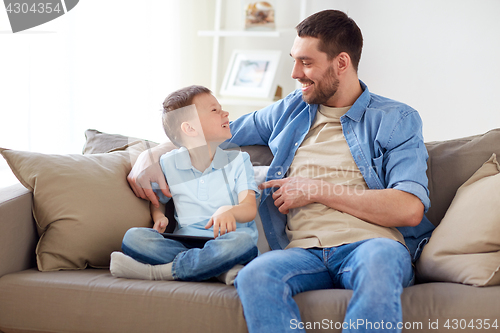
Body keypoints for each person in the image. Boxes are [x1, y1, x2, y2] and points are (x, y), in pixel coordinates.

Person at [127, 10, 435, 333]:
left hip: (371, 246)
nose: (294, 73)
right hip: (303, 252)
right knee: (255, 275)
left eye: (306, 62)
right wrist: (154, 153)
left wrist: (316, 189)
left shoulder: (396, 119)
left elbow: (410, 207)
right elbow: (216, 132)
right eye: (294, 60)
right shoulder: (291, 109)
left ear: (341, 63)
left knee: (380, 263)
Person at [111, 85, 259, 285]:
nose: (226, 113)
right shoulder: (168, 162)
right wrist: (159, 216)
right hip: (185, 242)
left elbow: (249, 208)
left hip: (227, 240)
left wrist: (230, 211)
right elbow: (158, 199)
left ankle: (162, 272)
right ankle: (216, 269)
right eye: (215, 110)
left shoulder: (239, 160)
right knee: (133, 238)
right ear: (189, 128)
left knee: (243, 243)